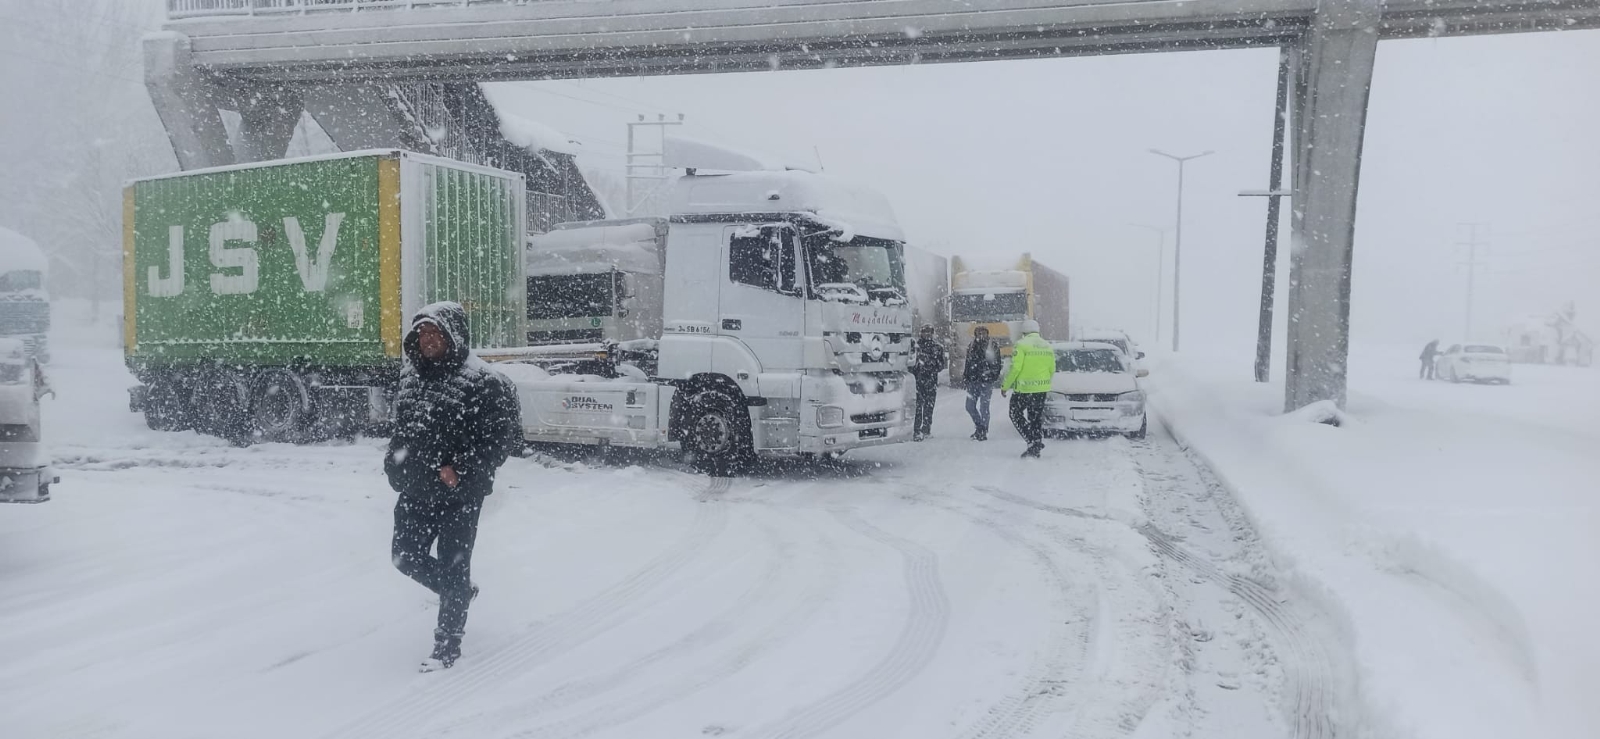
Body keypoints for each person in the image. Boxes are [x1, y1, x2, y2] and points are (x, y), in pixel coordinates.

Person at [384, 301, 523, 672]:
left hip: (459, 495)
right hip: (415, 489)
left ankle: (446, 647)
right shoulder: (410, 375)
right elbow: (402, 428)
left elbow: (501, 440)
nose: (428, 339)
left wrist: (460, 469)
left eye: (436, 332)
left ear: (454, 335)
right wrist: (393, 464)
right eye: (422, 333)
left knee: (453, 567)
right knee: (404, 556)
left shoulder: (484, 381)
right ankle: (457, 592)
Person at [1000, 319, 1054, 458]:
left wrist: (1006, 386)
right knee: (1035, 417)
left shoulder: (1021, 344)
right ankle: (1036, 443)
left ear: (1023, 332)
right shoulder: (1047, 345)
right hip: (1041, 388)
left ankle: (1032, 441)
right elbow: (1052, 369)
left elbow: (1016, 368)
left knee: (1015, 414)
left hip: (1024, 388)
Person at [963, 327, 1003, 441]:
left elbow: (997, 363)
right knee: (969, 406)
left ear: (987, 334)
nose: (981, 335)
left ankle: (983, 430)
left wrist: (992, 376)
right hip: (973, 381)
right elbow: (968, 362)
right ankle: (980, 426)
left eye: (983, 333)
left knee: (984, 407)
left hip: (986, 381)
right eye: (978, 333)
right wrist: (966, 376)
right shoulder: (971, 345)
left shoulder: (992, 346)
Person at [909, 325, 947, 441]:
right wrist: (918, 366)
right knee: (917, 407)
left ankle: (926, 429)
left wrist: (931, 363)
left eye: (929, 332)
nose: (927, 334)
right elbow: (910, 363)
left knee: (929, 407)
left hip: (931, 381)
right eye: (925, 332)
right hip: (917, 381)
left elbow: (941, 365)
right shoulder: (915, 346)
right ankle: (916, 430)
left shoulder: (937, 347)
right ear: (921, 333)